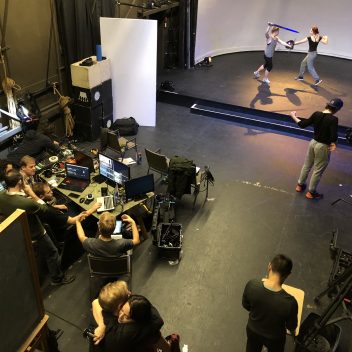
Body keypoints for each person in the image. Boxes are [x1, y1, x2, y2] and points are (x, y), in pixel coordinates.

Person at [0, 170, 75, 285]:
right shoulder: (24, 202)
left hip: (18, 232)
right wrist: (31, 193)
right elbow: (45, 209)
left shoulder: (1, 196)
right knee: (52, 252)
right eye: (24, 180)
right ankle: (57, 278)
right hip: (36, 232)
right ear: (20, 182)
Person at [242, 254, 298, 352]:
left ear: (269, 266)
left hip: (252, 330)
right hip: (274, 338)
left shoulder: (252, 285)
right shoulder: (290, 303)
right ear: (288, 274)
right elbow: (291, 326)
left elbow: (246, 305)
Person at [290, 98, 343, 199]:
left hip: (313, 143)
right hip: (323, 147)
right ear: (337, 109)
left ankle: (300, 185)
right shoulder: (333, 119)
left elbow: (302, 124)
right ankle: (311, 192)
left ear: (327, 105)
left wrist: (293, 116)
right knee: (318, 170)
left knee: (307, 165)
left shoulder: (316, 114)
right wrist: (334, 143)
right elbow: (333, 137)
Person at [92, 283, 165, 352]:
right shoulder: (126, 331)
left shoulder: (107, 310)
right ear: (120, 306)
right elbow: (158, 321)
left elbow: (95, 302)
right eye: (128, 294)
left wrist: (102, 325)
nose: (131, 293)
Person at [32, 181, 101, 242]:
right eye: (48, 192)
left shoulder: (36, 204)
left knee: (73, 203)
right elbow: (74, 220)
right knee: (92, 217)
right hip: (65, 230)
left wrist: (56, 206)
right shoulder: (52, 212)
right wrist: (92, 209)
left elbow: (46, 206)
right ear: (41, 196)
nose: (52, 192)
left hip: (56, 223)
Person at [76, 212, 140, 257]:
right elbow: (136, 240)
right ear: (115, 228)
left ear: (99, 227)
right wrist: (133, 222)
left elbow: (81, 236)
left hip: (101, 269)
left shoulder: (91, 244)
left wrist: (77, 222)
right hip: (119, 268)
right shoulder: (122, 243)